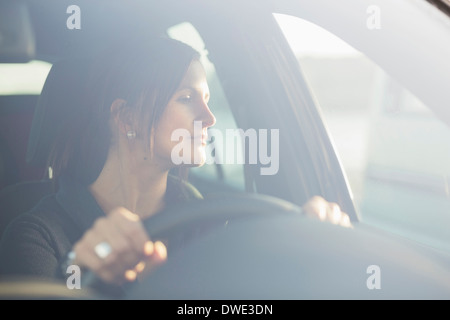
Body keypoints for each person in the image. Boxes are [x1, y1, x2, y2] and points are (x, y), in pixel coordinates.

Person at [0, 37, 350, 294]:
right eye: (186, 99)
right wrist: (82, 277)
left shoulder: (207, 222)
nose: (209, 118)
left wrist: (309, 251)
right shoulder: (37, 235)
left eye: (208, 100)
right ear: (127, 118)